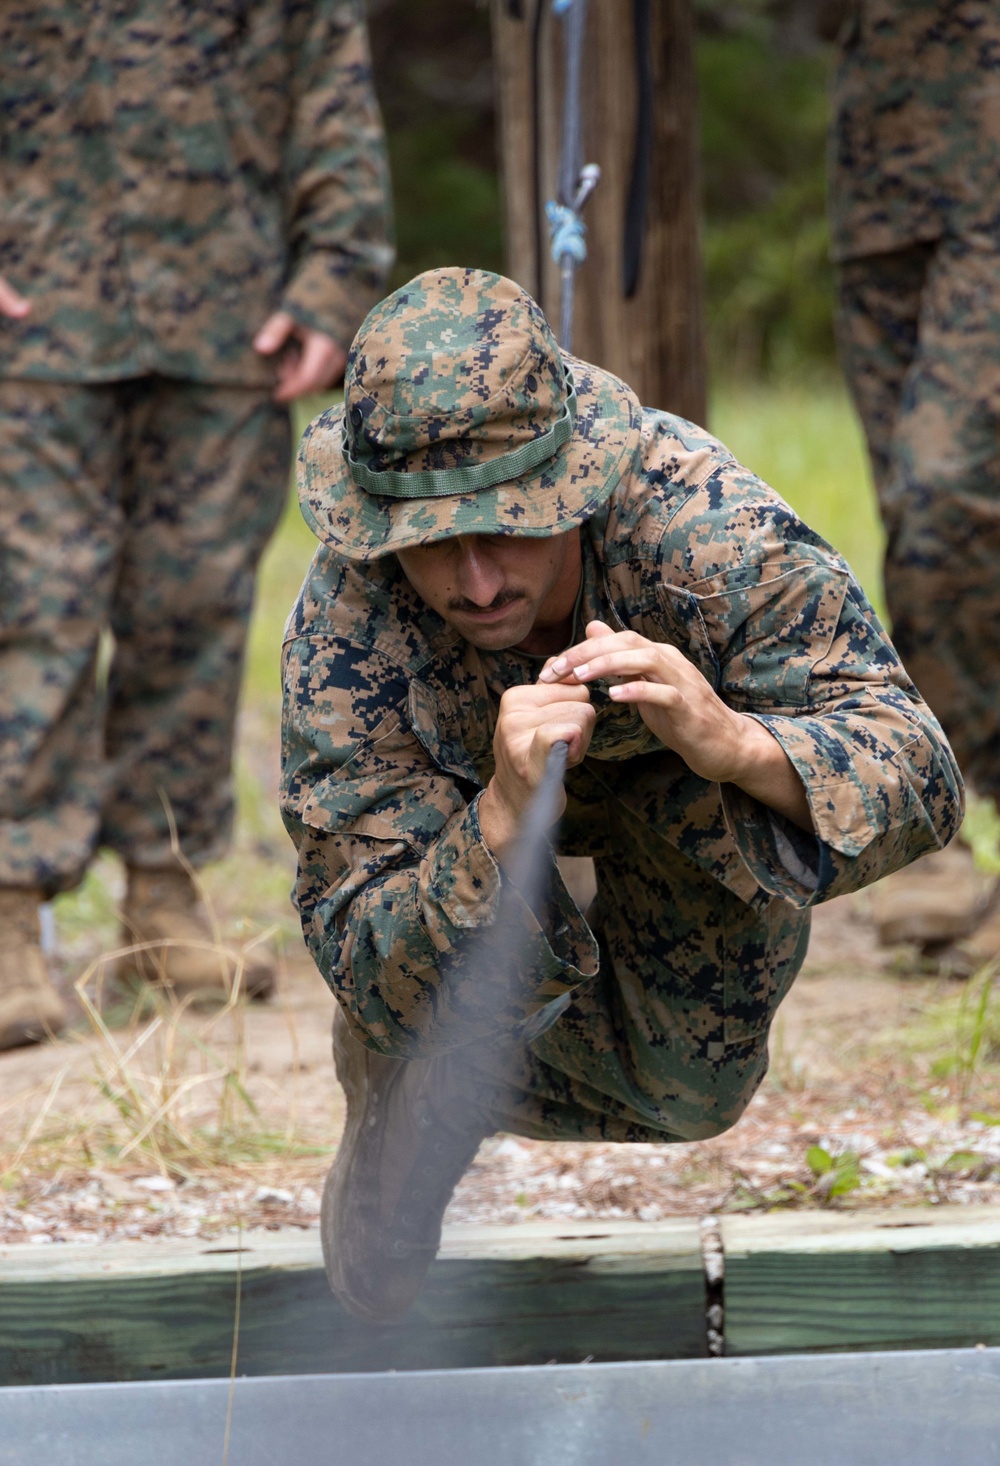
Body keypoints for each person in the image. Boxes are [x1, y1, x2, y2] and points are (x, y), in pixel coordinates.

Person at [280, 266, 961, 1323]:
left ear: (573, 484)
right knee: (407, 1004)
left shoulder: (699, 525)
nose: (474, 582)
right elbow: (360, 936)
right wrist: (500, 818)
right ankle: (411, 1087)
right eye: (430, 545)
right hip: (465, 825)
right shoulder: (350, 620)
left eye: (507, 527)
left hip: (677, 795)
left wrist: (737, 745)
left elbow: (917, 765)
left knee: (695, 1087)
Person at [0, 0, 393, 1049]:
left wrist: (331, 279)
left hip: (228, 311)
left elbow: (331, 94)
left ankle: (162, 896)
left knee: (194, 605)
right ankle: (5, 910)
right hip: (34, 314)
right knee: (32, 600)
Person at [825, 0, 1000, 969]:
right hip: (878, 178)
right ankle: (951, 834)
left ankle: (962, 807)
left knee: (946, 499)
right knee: (913, 513)